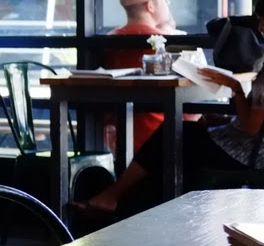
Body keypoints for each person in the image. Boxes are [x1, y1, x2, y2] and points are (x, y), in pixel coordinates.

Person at [83, 65, 264, 219]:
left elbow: (251, 127)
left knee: (174, 135)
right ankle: (125, 205)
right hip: (244, 150)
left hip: (243, 154)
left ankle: (115, 198)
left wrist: (236, 88)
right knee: (176, 140)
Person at [104, 0, 181, 153]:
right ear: (150, 6)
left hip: (116, 138)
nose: (168, 3)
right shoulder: (163, 43)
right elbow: (190, 109)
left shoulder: (108, 42)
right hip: (159, 135)